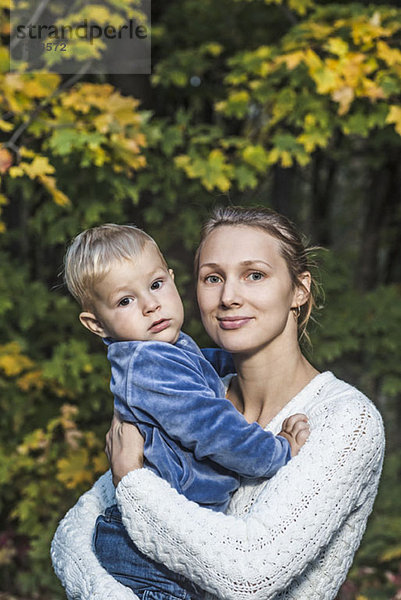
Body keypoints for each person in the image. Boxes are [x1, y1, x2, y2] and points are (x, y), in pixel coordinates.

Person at [51, 206, 385, 600]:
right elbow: (71, 538)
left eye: (254, 275)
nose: (228, 296)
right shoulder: (194, 391)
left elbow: (248, 575)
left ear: (299, 289)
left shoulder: (348, 420)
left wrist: (131, 479)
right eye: (213, 278)